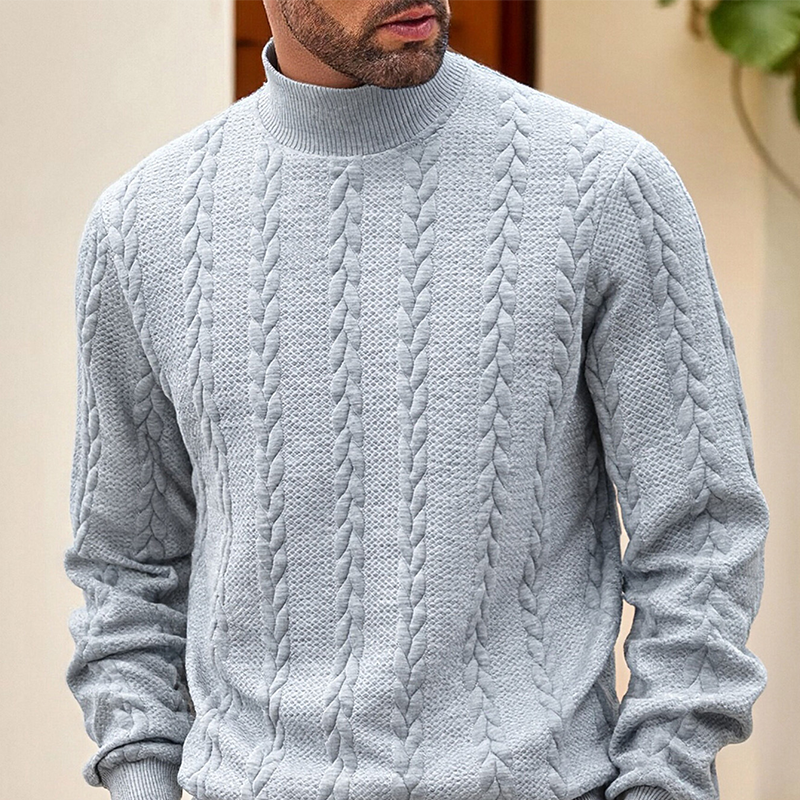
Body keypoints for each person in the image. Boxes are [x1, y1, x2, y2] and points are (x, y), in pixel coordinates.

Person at [62, 2, 770, 800]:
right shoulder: (141, 228)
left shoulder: (604, 186)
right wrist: (143, 779)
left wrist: (664, 780)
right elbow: (127, 569)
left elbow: (702, 536)